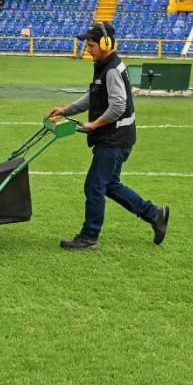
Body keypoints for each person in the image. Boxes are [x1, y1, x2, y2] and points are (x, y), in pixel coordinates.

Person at [47, 21, 170, 250]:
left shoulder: (112, 69)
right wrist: (66, 110)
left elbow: (118, 106)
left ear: (105, 44)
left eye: (91, 45)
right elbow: (93, 97)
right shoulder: (104, 65)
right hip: (118, 137)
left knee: (94, 186)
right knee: (109, 185)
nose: (88, 49)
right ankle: (155, 215)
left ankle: (89, 237)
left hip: (114, 139)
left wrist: (94, 124)